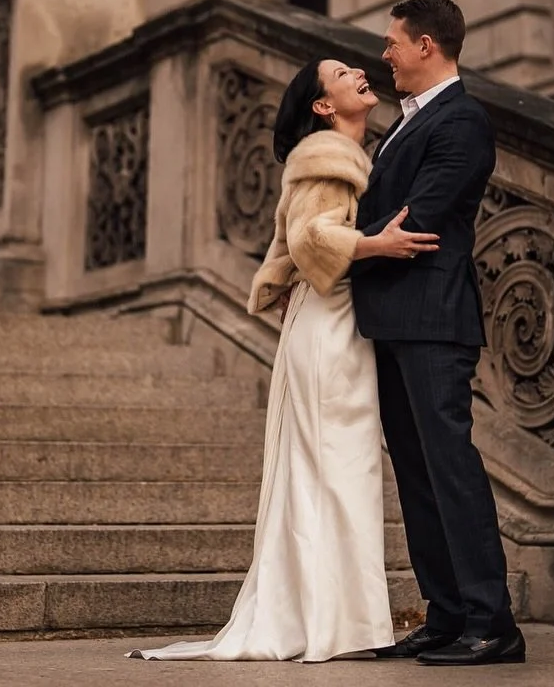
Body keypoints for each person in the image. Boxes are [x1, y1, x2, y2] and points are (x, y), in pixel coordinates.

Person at [128, 57, 438, 663]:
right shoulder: (327, 156)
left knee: (337, 471)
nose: (359, 72)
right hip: (328, 326)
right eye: (341, 74)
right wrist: (375, 243)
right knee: (336, 470)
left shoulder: (344, 153)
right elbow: (308, 238)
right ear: (322, 106)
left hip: (333, 323)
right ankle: (338, 626)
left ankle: (339, 623)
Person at [352, 0, 524, 666]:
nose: (385, 54)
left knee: (450, 470)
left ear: (427, 44)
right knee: (418, 476)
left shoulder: (462, 120)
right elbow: (386, 219)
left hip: (432, 318)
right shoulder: (406, 120)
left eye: (393, 42)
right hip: (393, 318)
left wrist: (335, 244)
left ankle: (493, 623)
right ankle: (446, 614)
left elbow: (417, 219)